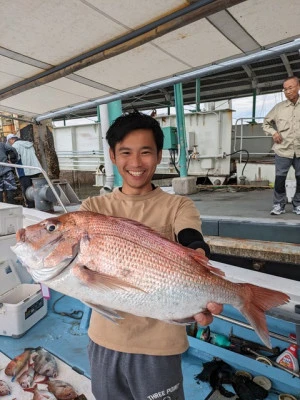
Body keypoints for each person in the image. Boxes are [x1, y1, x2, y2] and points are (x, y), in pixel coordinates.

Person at [80, 111, 223, 400]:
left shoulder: (178, 205)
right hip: (104, 340)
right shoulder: (92, 208)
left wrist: (197, 251)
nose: (135, 163)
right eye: (125, 153)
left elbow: (190, 236)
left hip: (159, 345)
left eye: (145, 152)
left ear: (158, 155)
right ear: (112, 155)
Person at [263, 76, 300, 215]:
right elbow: (266, 123)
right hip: (283, 150)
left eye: (290, 88)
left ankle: (298, 204)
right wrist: (273, 132)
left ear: (298, 86)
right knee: (279, 179)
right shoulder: (279, 108)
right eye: (285, 89)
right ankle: (279, 205)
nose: (287, 91)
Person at [7, 133, 42, 208]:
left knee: (27, 190)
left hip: (24, 171)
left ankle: (31, 206)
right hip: (35, 169)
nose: (10, 144)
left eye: (9, 142)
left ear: (11, 139)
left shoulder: (15, 146)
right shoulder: (28, 144)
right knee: (36, 188)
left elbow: (15, 158)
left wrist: (11, 162)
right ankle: (39, 204)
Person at [0, 139, 18, 204]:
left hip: (5, 170)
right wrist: (13, 161)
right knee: (10, 191)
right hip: (6, 170)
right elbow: (12, 149)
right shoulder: (2, 144)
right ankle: (11, 210)